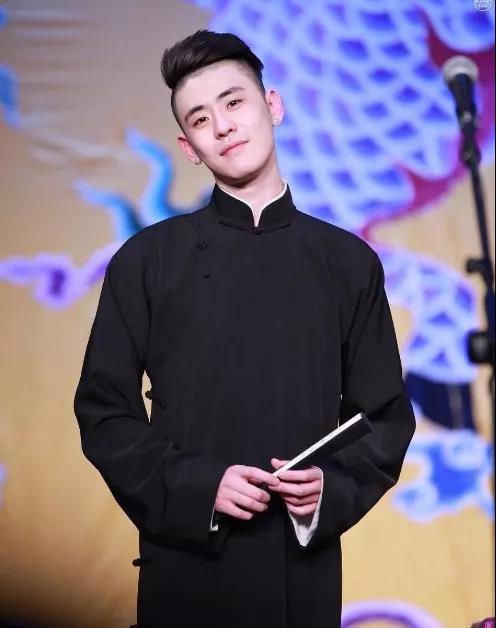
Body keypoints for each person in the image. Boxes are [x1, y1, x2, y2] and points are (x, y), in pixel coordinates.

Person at [74, 29, 416, 628]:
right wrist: (198, 486)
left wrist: (328, 489)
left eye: (234, 102)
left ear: (272, 105)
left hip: (299, 579)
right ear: (188, 148)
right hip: (185, 571)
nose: (224, 126)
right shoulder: (147, 260)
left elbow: (383, 416)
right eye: (201, 119)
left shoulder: (347, 263)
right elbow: (104, 412)